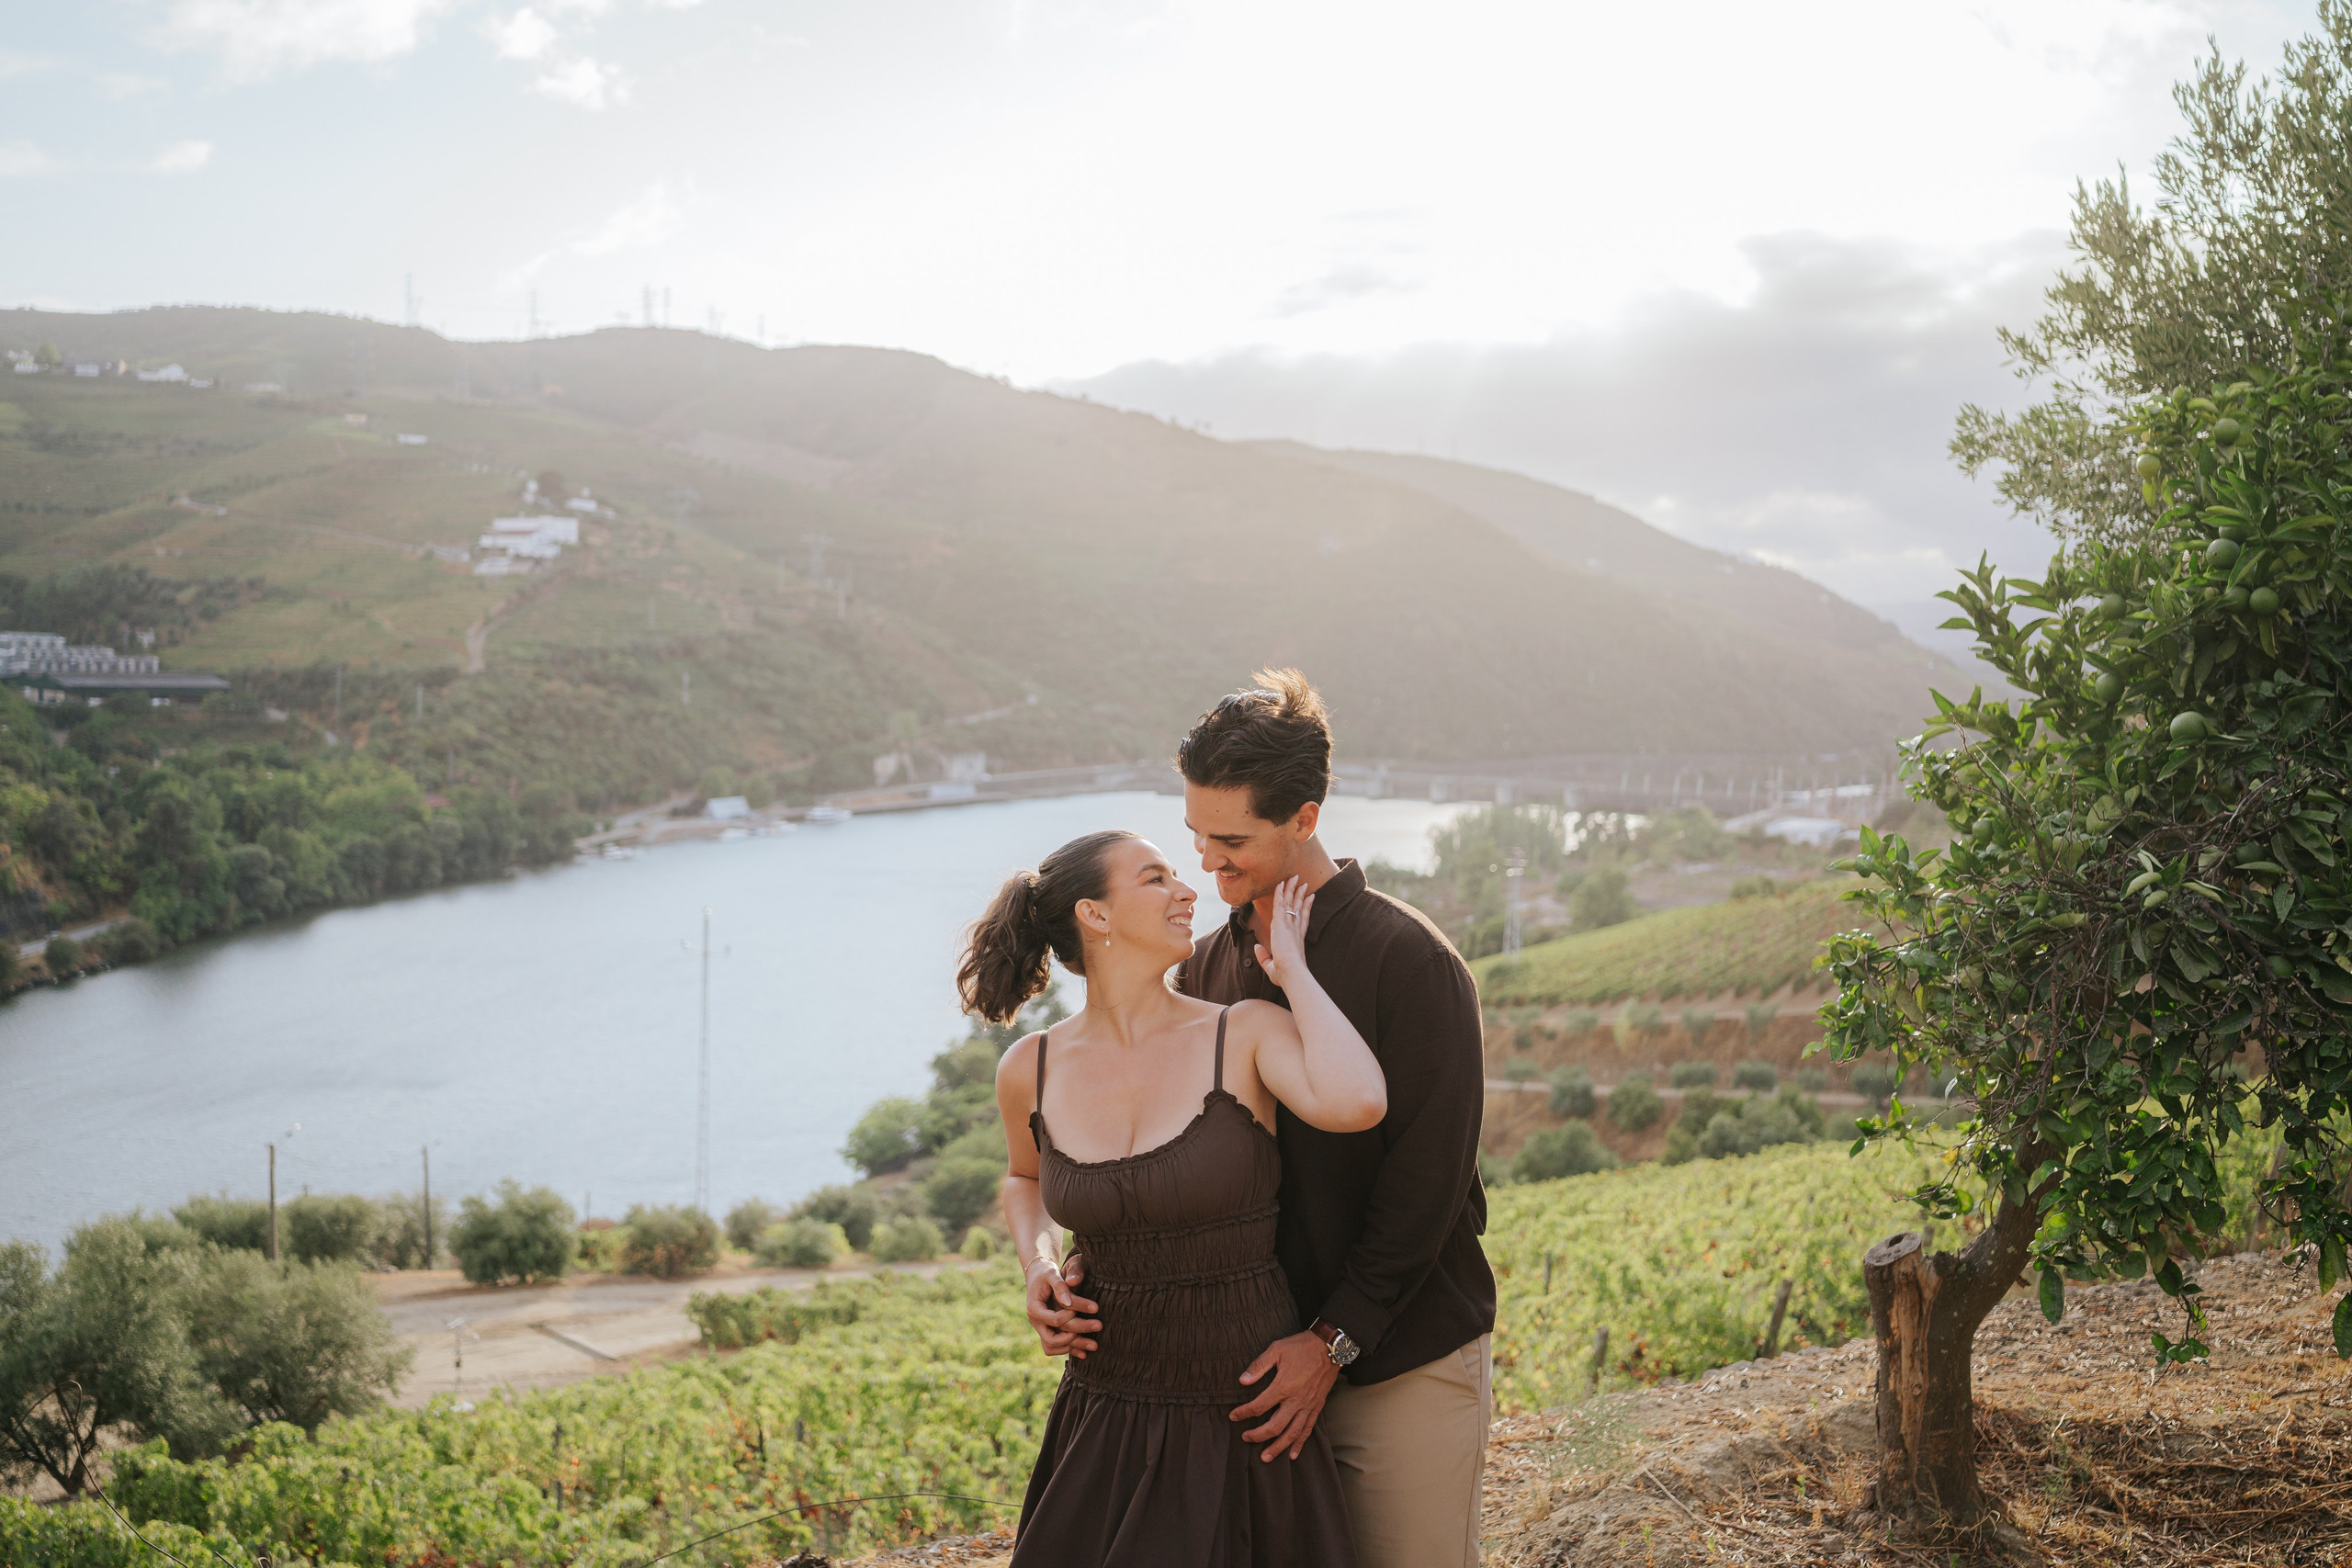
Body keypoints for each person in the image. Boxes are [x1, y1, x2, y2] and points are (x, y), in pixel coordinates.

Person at [964, 829, 1388, 1567]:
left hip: (1248, 1412)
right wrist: (1037, 1263)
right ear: (1094, 915)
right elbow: (1024, 1177)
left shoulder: (1244, 1032)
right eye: (1156, 878)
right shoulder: (1028, 1067)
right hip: (1103, 1412)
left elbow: (1357, 1101)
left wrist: (1294, 971)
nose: (1188, 888)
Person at [1170, 669, 1497, 1568]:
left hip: (1402, 1367)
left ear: (1304, 818)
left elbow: (1425, 1186)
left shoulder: (1411, 963)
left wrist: (1331, 1341)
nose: (1207, 862)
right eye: (1195, 834)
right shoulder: (1203, 970)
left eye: (1230, 840)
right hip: (1259, 1382)